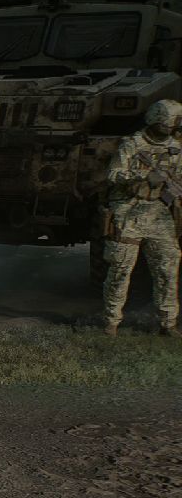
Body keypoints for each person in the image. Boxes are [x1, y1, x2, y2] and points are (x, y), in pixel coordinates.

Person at [100, 99, 182, 336]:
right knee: (121, 268)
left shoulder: (175, 147)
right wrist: (142, 176)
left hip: (157, 212)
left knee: (168, 267)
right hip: (128, 210)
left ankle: (168, 322)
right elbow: (114, 174)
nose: (173, 128)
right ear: (156, 120)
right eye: (169, 124)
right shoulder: (132, 143)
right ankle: (111, 322)